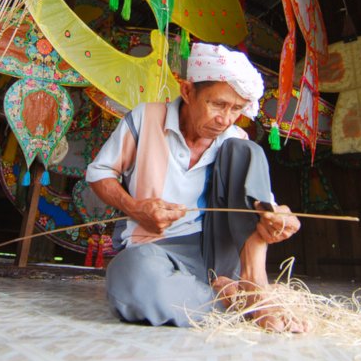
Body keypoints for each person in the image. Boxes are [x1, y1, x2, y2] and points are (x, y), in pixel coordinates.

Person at [86, 42, 302, 331]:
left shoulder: (235, 137)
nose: (225, 119)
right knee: (131, 277)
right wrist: (135, 207)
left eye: (236, 109)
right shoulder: (146, 117)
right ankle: (227, 301)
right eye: (217, 104)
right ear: (187, 91)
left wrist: (276, 217)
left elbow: (261, 205)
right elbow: (100, 173)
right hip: (153, 249)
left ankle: (254, 285)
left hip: (218, 252)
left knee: (245, 150)